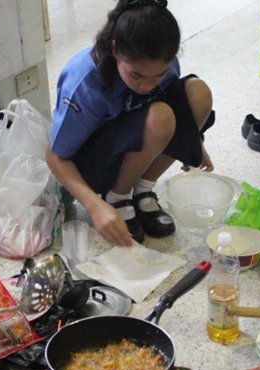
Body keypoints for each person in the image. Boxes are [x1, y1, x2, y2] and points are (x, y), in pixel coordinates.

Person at [46, 0, 215, 246]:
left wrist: (194, 140)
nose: (147, 86)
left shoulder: (164, 64)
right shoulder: (85, 82)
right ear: (115, 50)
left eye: (159, 75)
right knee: (160, 116)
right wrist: (94, 206)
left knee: (198, 93)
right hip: (93, 160)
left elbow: (176, 104)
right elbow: (55, 155)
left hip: (134, 140)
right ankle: (117, 197)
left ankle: (143, 189)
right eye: (136, 75)